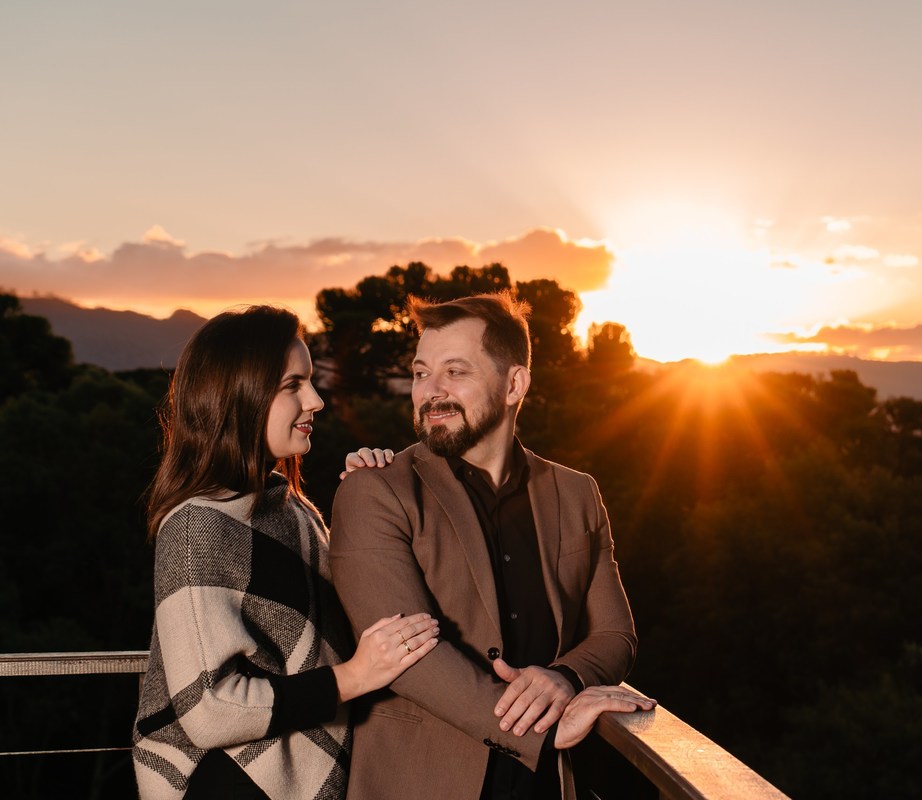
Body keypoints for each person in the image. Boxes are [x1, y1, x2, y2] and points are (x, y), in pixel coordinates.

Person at [330, 291, 653, 800]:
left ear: (514, 383)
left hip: (548, 787)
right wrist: (543, 732)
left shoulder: (577, 493)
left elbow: (615, 633)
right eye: (420, 373)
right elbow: (407, 657)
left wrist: (567, 677)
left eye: (455, 371)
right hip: (422, 784)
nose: (431, 391)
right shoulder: (374, 490)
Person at [132, 305, 440, 800]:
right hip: (229, 783)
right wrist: (353, 677)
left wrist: (375, 498)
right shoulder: (196, 526)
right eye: (293, 385)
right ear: (240, 395)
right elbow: (207, 711)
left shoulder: (288, 506)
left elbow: (352, 613)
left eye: (310, 382)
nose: (316, 400)